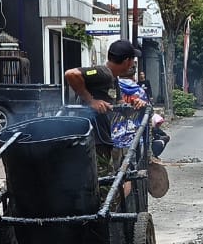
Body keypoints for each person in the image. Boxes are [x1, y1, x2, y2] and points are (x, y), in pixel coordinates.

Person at [63, 39, 168, 199]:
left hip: (104, 138)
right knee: (106, 189)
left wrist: (134, 103)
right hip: (93, 139)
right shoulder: (102, 73)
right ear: (127, 61)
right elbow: (71, 74)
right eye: (132, 59)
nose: (133, 63)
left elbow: (119, 104)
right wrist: (91, 100)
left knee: (111, 182)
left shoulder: (113, 79)